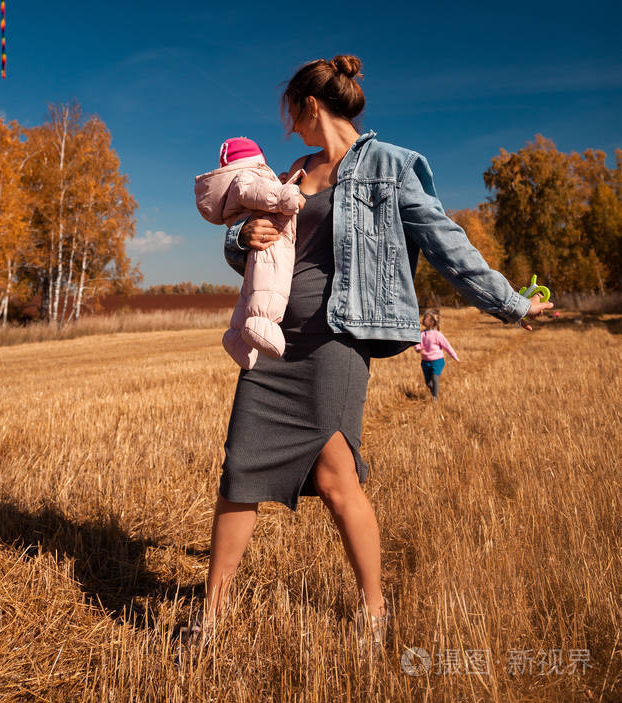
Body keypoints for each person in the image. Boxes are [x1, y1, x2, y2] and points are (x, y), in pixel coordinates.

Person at [179, 54, 553, 657]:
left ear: (310, 105)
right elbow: (249, 242)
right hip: (273, 335)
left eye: (290, 113)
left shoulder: (391, 166)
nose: (287, 127)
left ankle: (373, 609)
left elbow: (447, 246)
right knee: (239, 469)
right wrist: (239, 237)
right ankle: (212, 615)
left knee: (334, 478)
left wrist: (511, 303)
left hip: (336, 338)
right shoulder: (293, 172)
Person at [194, 136, 306, 368]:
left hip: (262, 247)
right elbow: (258, 191)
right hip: (272, 243)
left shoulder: (242, 183)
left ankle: (237, 337)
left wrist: (281, 183)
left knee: (250, 292)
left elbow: (260, 192)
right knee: (269, 285)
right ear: (256, 162)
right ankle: (263, 322)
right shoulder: (247, 177)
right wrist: (286, 195)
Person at [413, 309, 459, 399]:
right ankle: (434, 391)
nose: (423, 319)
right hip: (425, 361)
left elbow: (447, 346)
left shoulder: (438, 334)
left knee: (435, 378)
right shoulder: (421, 334)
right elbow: (416, 343)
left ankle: (435, 397)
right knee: (428, 382)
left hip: (437, 360)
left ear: (432, 322)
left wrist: (455, 356)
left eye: (426, 318)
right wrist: (418, 349)